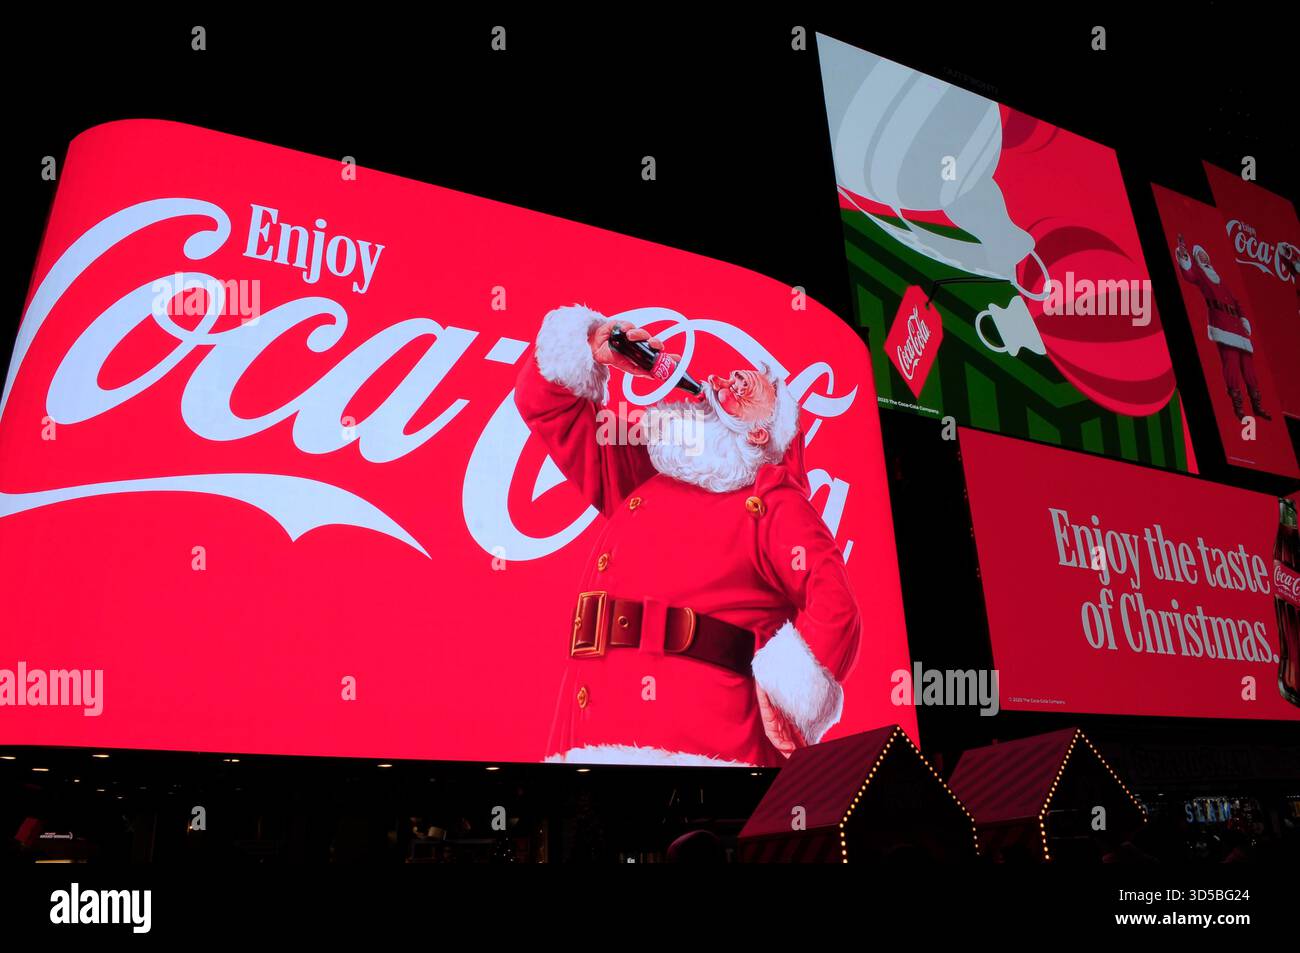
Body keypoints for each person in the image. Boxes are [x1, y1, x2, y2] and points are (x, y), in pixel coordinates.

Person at [515, 305, 862, 767]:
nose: (731, 380)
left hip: (702, 751)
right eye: (733, 378)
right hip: (585, 736)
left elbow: (835, 603)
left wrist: (787, 693)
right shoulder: (645, 475)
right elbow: (547, 407)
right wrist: (592, 346)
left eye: (760, 386)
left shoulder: (770, 500)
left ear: (760, 433)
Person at [1175, 234, 1270, 421]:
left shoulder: (1218, 276)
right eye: (1199, 255)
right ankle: (1239, 408)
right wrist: (1184, 256)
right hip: (1223, 327)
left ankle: (1257, 405)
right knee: (1231, 366)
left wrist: (1243, 319)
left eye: (1204, 255)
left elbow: (1236, 301)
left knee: (1249, 368)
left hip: (1238, 328)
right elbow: (1188, 274)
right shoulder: (1200, 274)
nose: (1203, 257)